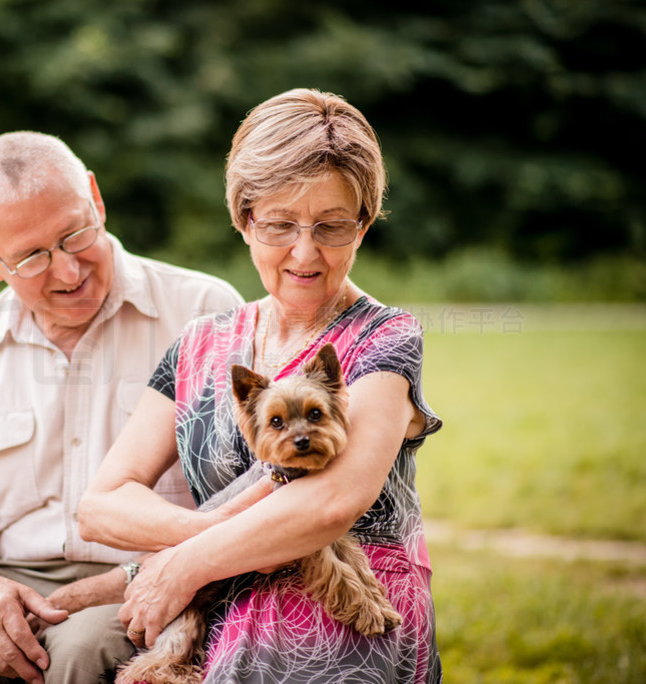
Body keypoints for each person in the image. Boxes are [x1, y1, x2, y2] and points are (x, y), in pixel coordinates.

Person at [79, 88, 443, 682]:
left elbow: (330, 504)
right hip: (211, 632)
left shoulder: (386, 339)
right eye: (279, 224)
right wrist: (203, 539)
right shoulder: (198, 344)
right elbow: (100, 506)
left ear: (365, 223)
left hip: (348, 632)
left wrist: (183, 565)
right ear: (244, 220)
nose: (306, 252)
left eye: (333, 226)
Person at [0, 131, 243, 684]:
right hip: (12, 581)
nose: (69, 272)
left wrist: (141, 575)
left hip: (157, 578)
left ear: (96, 199)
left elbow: (250, 500)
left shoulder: (204, 312)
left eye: (75, 235)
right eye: (31, 257)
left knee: (80, 652)